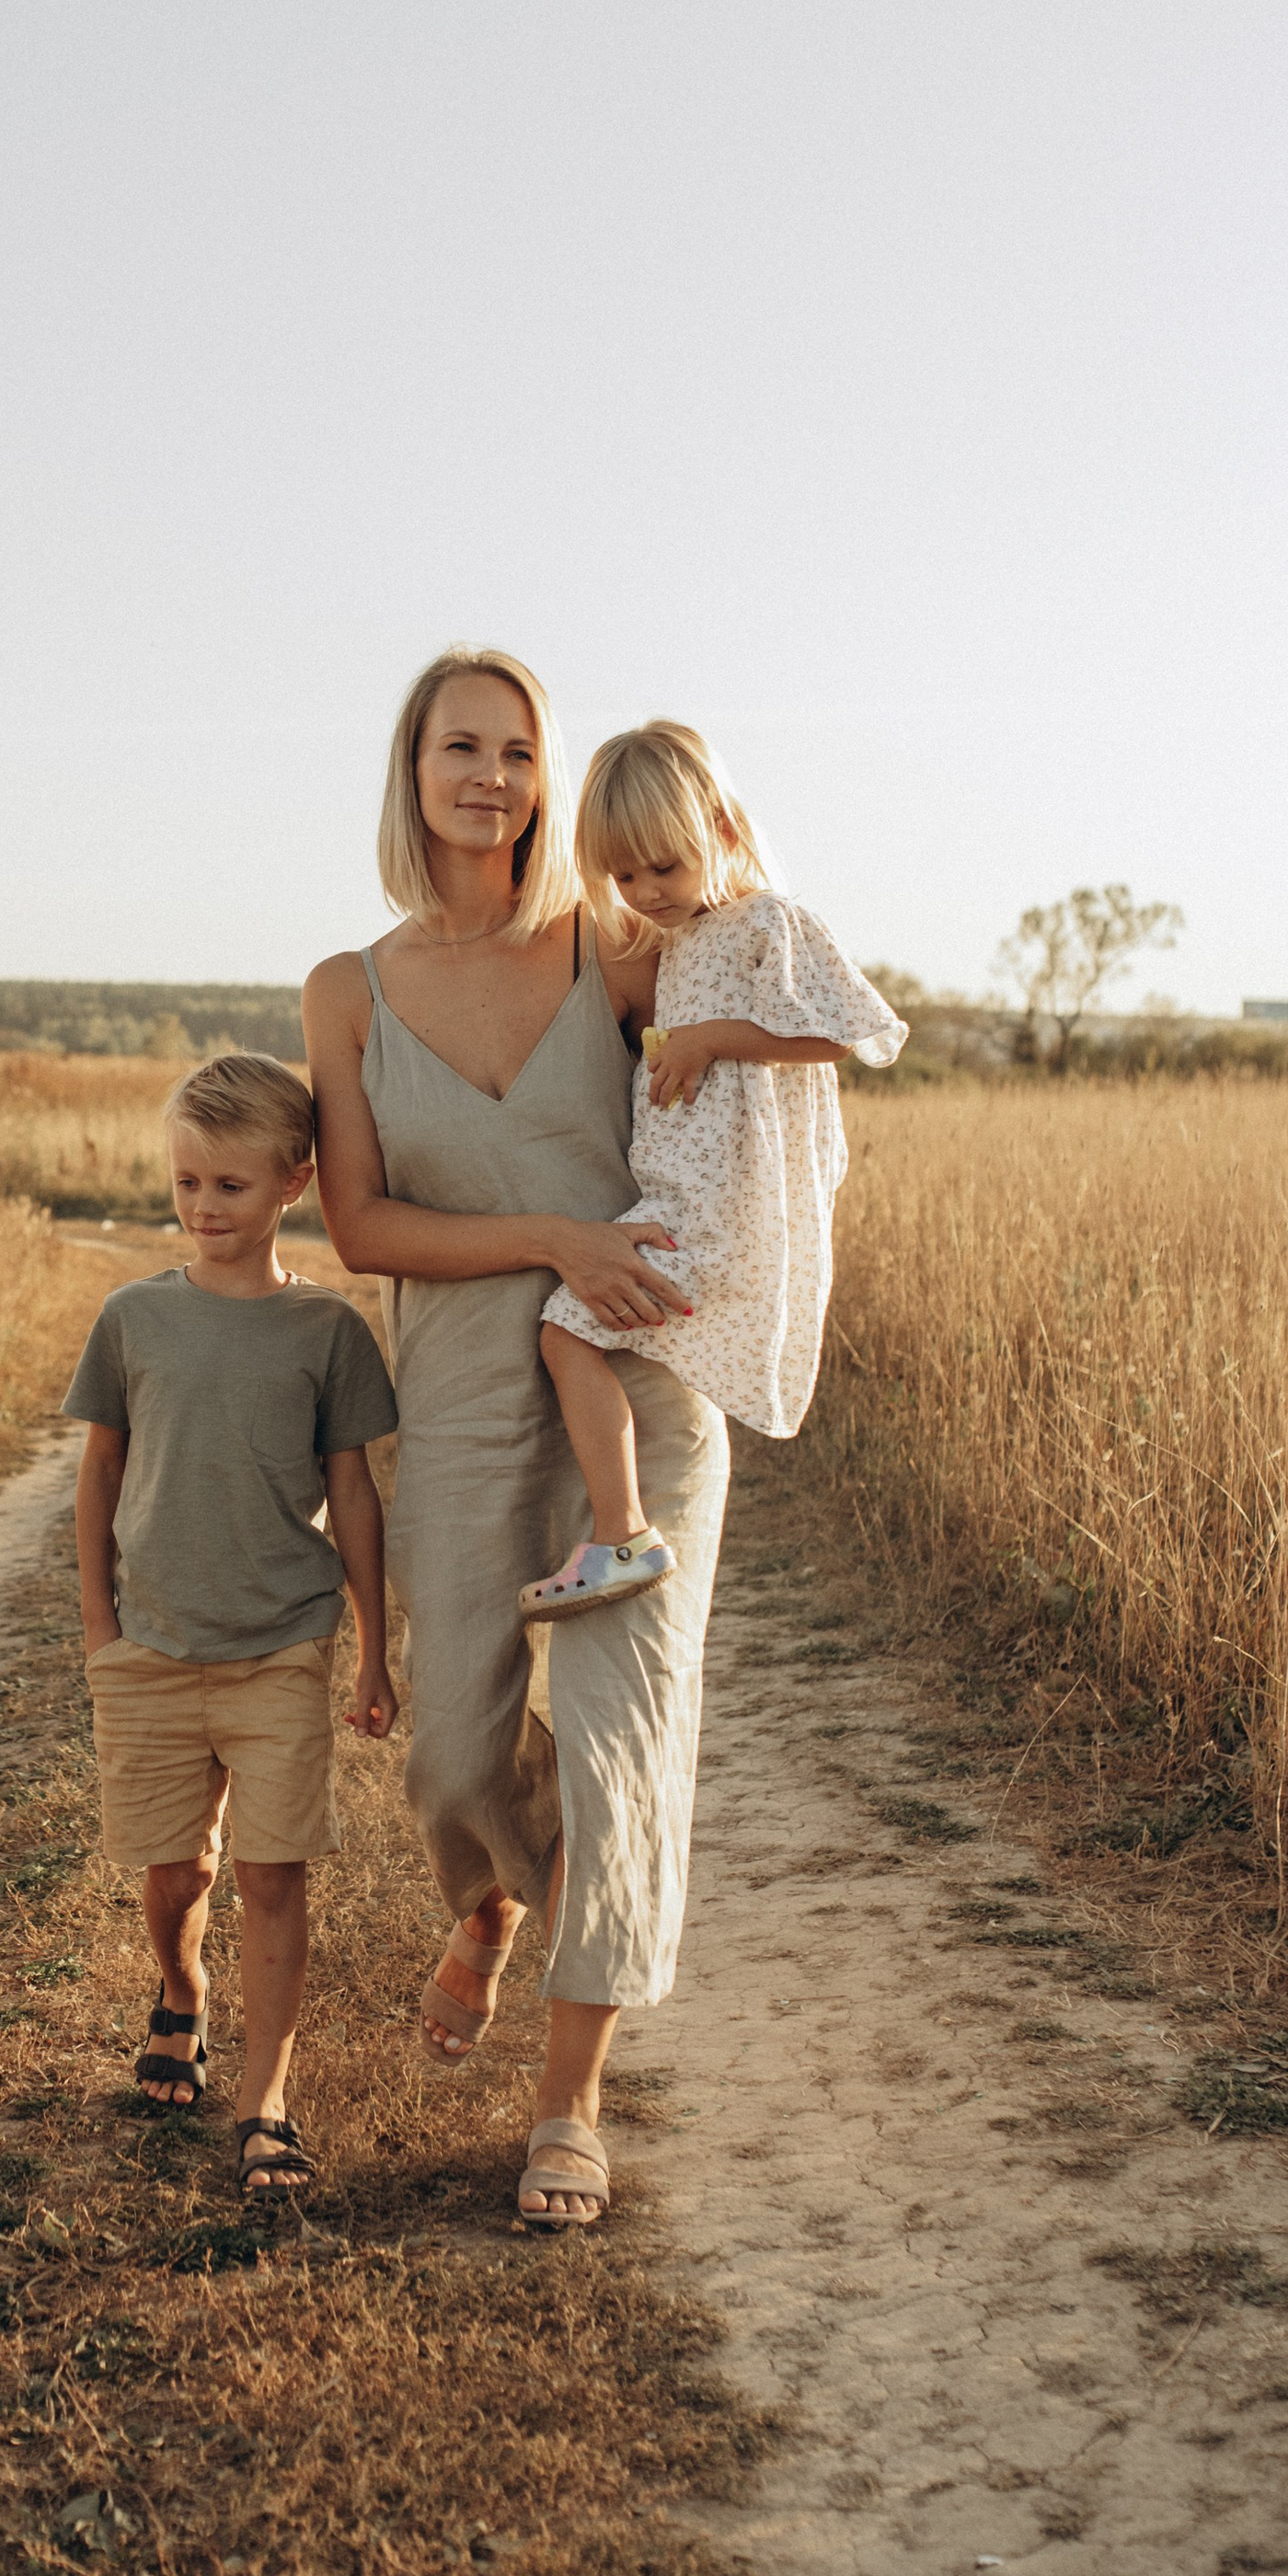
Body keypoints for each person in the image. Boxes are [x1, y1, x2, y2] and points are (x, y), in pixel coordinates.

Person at [304, 649, 720, 2231]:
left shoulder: (615, 946)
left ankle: (569, 2104)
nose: (490, 775)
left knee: (619, 1748)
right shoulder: (349, 988)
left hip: (638, 1390)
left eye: (519, 750)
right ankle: (485, 1900)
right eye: (460, 747)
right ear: (412, 772)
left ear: (552, 778)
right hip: (465, 1393)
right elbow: (360, 1224)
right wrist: (554, 1230)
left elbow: (770, 991)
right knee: (458, 1753)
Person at [64, 1054, 399, 2196]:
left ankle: (265, 2097)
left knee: (271, 1873)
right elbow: (98, 1473)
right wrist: (101, 1625)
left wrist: (373, 1647)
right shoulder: (134, 1317)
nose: (203, 1206)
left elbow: (352, 1492)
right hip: (151, 1646)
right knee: (176, 1871)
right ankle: (180, 1985)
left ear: (293, 1181)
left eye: (229, 1185)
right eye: (186, 1182)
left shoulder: (326, 1329)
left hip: (282, 1643)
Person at [523, 724, 907, 1617]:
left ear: (722, 831)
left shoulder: (766, 921)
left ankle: (622, 1535)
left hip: (720, 1206)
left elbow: (846, 1032)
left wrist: (711, 1039)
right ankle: (620, 1528)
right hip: (675, 1195)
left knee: (564, 1331)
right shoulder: (674, 942)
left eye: (664, 866)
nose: (645, 892)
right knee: (571, 1331)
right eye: (624, 876)